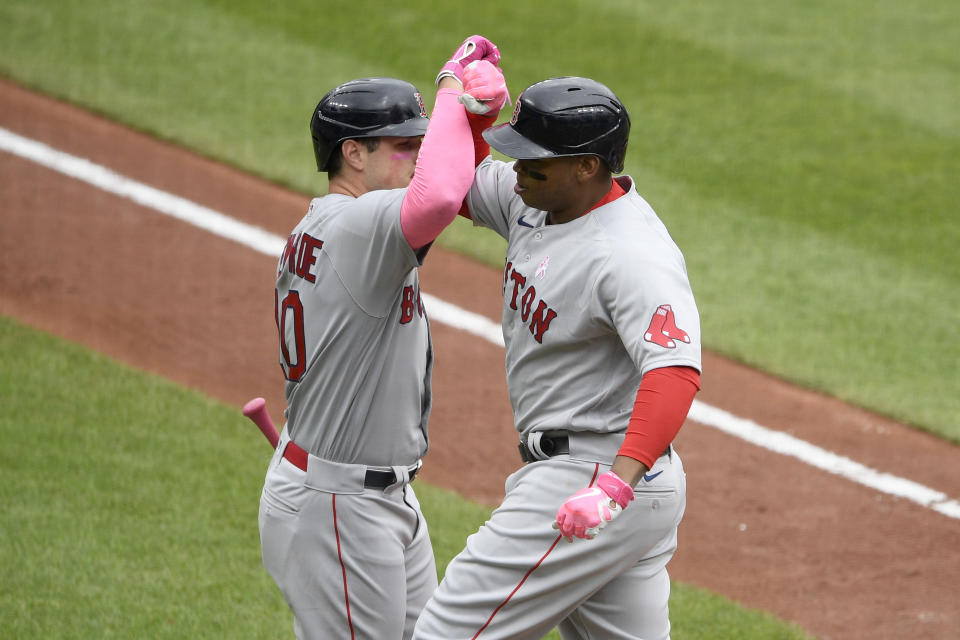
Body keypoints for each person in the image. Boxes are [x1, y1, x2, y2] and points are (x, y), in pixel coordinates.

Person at [413, 76, 702, 640]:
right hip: (605, 477)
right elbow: (457, 184)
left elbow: (674, 373)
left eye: (533, 163)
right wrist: (466, 110)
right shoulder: (538, 202)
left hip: (597, 475)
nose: (516, 172)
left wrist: (614, 488)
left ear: (587, 166)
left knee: (444, 634)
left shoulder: (630, 255)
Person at [257, 36, 504, 640]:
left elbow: (445, 179)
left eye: (420, 146)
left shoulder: (343, 222)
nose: (418, 159)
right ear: (353, 154)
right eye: (402, 147)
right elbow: (442, 194)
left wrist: (474, 128)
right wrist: (450, 91)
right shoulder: (358, 227)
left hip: (370, 492)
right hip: (341, 504)